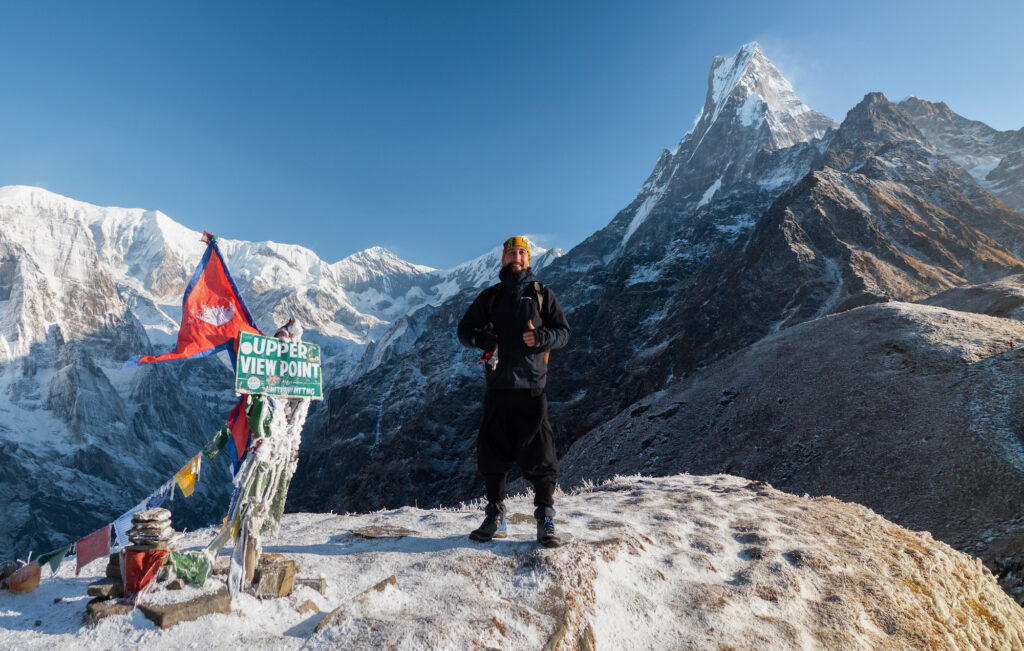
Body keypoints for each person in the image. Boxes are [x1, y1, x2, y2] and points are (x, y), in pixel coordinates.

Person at [457, 236, 571, 547]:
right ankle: (495, 516)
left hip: (532, 387)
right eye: (511, 253)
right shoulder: (490, 298)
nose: (516, 257)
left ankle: (545, 518)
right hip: (498, 387)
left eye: (521, 253)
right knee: (492, 454)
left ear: (529, 260)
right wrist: (480, 339)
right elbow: (464, 331)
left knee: (541, 455)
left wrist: (542, 339)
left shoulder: (542, 294)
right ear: (503, 259)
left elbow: (563, 333)